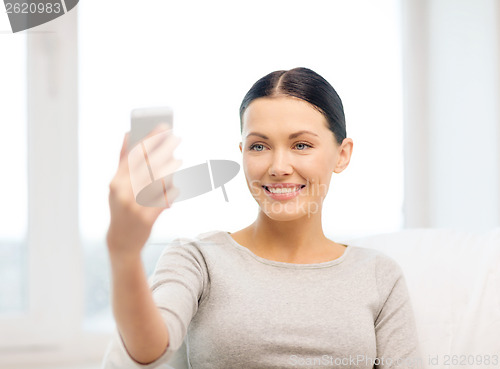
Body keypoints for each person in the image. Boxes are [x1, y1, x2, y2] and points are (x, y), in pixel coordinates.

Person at [102, 67, 422, 368]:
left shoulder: (379, 276)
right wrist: (124, 252)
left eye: (301, 144)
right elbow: (147, 349)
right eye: (259, 146)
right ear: (242, 152)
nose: (278, 167)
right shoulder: (198, 259)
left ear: (342, 154)